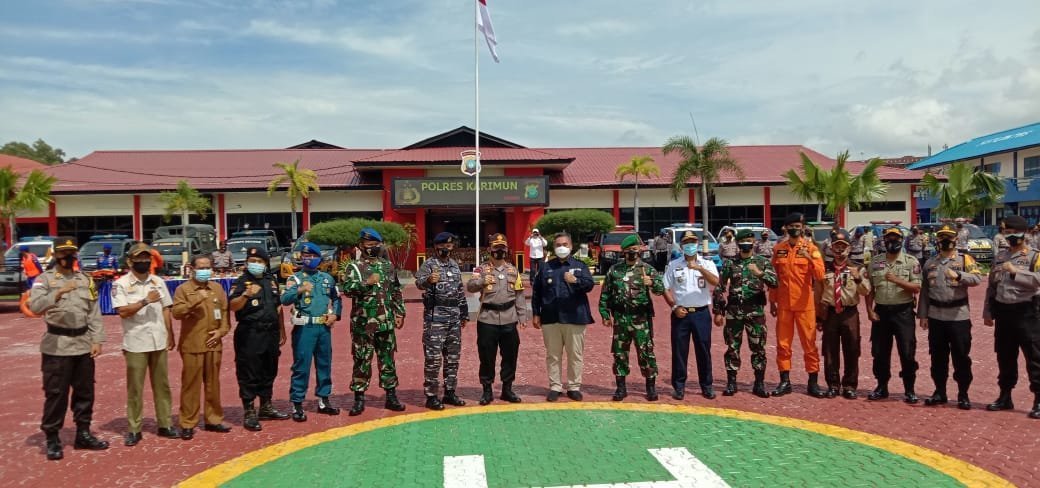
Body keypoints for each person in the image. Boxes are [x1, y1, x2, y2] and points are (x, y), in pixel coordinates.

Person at [27, 237, 108, 460]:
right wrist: (59, 292)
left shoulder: (85, 279)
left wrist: (97, 340)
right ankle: (52, 438)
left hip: (82, 344)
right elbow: (35, 307)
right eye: (63, 253)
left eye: (71, 252)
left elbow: (93, 312)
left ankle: (83, 434)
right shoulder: (44, 280)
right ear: (55, 255)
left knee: (85, 392)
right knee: (56, 394)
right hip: (57, 346)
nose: (68, 257)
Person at [111, 243, 180, 446]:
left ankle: (165, 424)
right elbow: (123, 311)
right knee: (135, 388)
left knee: (162, 386)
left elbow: (166, 308)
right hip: (136, 342)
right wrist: (145, 301)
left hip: (158, 340)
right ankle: (134, 428)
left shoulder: (158, 281)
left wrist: (170, 333)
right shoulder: (121, 284)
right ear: (130, 261)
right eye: (139, 258)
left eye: (146, 258)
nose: (143, 261)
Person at [340, 227, 406, 415]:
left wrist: (400, 312)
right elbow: (348, 289)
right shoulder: (354, 267)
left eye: (375, 244)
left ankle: (391, 396)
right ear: (361, 246)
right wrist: (366, 283)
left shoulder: (387, 266)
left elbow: (395, 290)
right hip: (363, 324)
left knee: (388, 359)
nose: (372, 248)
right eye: (368, 245)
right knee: (362, 359)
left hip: (385, 322)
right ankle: (359, 398)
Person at [918, 224, 982, 410]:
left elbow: (977, 279)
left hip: (958, 317)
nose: (945, 240)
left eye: (949, 237)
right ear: (937, 240)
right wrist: (923, 315)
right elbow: (925, 291)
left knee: (961, 357)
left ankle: (963, 394)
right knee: (937, 357)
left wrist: (959, 275)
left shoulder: (964, 259)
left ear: (956, 239)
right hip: (936, 317)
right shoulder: (930, 263)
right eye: (942, 237)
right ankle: (940, 392)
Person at [983, 215, 1040, 419]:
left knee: (1034, 358)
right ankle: (1005, 396)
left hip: (1027, 313)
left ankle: (1038, 399)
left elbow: (1038, 280)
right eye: (1006, 233)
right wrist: (987, 311)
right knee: (1005, 356)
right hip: (1004, 313)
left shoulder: (1034, 256)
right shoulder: (1001, 256)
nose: (1009, 236)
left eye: (1013, 233)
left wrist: (1016, 272)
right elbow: (992, 285)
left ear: (1024, 234)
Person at [229, 246, 289, 432]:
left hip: (270, 332)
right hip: (250, 333)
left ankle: (266, 406)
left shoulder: (271, 281)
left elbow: (278, 307)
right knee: (249, 371)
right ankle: (249, 411)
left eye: (259, 261)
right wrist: (246, 294)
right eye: (251, 261)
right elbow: (233, 305)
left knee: (269, 369)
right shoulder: (242, 282)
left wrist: (282, 330)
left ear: (265, 263)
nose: (255, 264)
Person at [171, 255, 231, 439]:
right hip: (192, 344)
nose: (205, 271)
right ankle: (188, 422)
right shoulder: (184, 289)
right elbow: (176, 313)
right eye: (201, 267)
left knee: (213, 384)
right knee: (191, 385)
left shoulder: (217, 288)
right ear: (192, 269)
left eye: (208, 267)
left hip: (213, 343)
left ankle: (213, 419)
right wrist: (195, 300)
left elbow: (225, 313)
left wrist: (221, 331)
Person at [281, 242, 342, 421]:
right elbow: (284, 299)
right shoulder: (295, 278)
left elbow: (337, 298)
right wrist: (300, 290)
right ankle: (297, 402)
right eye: (305, 256)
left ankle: (324, 399)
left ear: (319, 259)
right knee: (302, 366)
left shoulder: (327, 278)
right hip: (304, 329)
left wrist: (335, 315)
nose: (309, 259)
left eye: (312, 256)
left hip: (323, 328)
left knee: (324, 364)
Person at [531, 232, 595, 401]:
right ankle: (555, 386)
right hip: (551, 317)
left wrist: (576, 281)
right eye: (558, 245)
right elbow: (537, 292)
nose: (561, 248)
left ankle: (574, 387)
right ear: (554, 247)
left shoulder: (580, 266)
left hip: (575, 316)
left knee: (575, 355)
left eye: (565, 245)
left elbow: (590, 285)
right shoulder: (546, 267)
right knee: (553, 355)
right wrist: (536, 313)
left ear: (571, 247)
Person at [600, 235, 665, 401]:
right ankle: (621, 388)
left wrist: (651, 283)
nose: (632, 252)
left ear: (639, 251)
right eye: (629, 250)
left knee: (646, 353)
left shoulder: (647, 269)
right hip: (621, 318)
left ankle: (651, 388)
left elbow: (660, 290)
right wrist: (605, 314)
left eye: (635, 249)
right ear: (624, 252)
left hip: (641, 319)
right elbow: (605, 294)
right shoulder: (614, 270)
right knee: (620, 353)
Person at [713, 230, 777, 398]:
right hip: (734, 312)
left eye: (750, 240)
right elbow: (720, 288)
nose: (747, 243)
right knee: (732, 347)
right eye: (744, 240)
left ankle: (759, 383)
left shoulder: (762, 262)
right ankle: (731, 382)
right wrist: (718, 311)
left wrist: (760, 274)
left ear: (754, 243)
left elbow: (775, 283)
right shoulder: (730, 263)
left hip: (755, 313)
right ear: (738, 243)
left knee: (758, 348)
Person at [768, 213, 826, 398]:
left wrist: (809, 258)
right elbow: (774, 277)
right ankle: (785, 381)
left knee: (809, 344)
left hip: (804, 305)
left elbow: (820, 275)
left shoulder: (811, 248)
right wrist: (772, 301)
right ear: (785, 228)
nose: (795, 229)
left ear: (803, 228)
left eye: (798, 226)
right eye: (791, 226)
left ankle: (813, 382)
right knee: (783, 344)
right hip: (784, 304)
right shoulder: (779, 249)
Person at [864, 227, 923, 404]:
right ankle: (881, 386)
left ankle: (909, 389)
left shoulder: (911, 261)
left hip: (903, 312)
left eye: (895, 238)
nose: (892, 241)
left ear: (902, 240)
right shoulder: (875, 262)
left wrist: (896, 280)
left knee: (907, 351)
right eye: (889, 238)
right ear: (884, 241)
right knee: (880, 352)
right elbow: (869, 289)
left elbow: (917, 287)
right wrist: (869, 310)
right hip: (881, 313)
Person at [468, 233, 528, 405]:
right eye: (496, 248)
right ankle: (487, 390)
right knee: (487, 356)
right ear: (490, 249)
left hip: (509, 318)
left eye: (502, 248)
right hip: (487, 319)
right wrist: (481, 282)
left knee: (510, 355)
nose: (499, 251)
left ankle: (507, 389)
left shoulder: (513, 270)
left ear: (507, 250)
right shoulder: (480, 270)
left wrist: (522, 316)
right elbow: (470, 287)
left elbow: (519, 295)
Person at [663, 230, 720, 400]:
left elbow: (716, 282)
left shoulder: (707, 263)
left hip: (701, 313)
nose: (690, 245)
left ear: (697, 244)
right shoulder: (674, 265)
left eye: (693, 242)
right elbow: (664, 288)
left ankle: (707, 386)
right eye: (687, 243)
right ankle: (679, 387)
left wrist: (700, 268)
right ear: (681, 246)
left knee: (703, 350)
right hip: (681, 314)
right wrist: (674, 306)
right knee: (679, 351)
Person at [415, 232, 468, 410]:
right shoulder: (429, 264)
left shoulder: (454, 265)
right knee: (433, 358)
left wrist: (464, 313)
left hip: (454, 317)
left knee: (453, 357)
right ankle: (431, 396)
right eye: (443, 246)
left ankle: (450, 392)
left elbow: (460, 290)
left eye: (449, 246)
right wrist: (429, 280)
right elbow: (419, 283)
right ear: (436, 247)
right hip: (435, 317)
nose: (446, 249)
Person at [814, 230, 870, 399]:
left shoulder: (857, 267)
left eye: (843, 246)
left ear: (849, 248)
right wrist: (819, 317)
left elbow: (866, 291)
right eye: (836, 246)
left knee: (852, 349)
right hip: (830, 313)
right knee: (830, 350)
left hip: (849, 313)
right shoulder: (824, 269)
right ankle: (833, 384)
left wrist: (858, 278)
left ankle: (849, 385)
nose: (839, 250)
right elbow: (818, 293)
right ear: (831, 248)